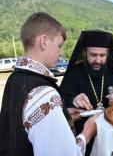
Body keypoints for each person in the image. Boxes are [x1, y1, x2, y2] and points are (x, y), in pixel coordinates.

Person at [0, 12, 97, 156]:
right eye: (59, 45)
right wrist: (87, 133)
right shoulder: (43, 93)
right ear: (44, 42)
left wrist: (64, 115)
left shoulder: (15, 77)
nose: (61, 53)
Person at [60, 29, 113, 155]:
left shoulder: (112, 73)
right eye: (93, 55)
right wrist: (72, 100)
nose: (98, 60)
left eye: (102, 55)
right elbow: (60, 101)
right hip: (84, 138)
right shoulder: (74, 74)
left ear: (108, 54)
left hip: (110, 136)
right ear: (85, 53)